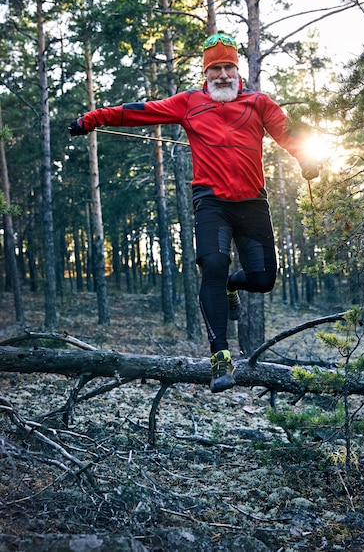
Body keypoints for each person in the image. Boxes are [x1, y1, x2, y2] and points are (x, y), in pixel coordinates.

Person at [69, 33, 319, 394]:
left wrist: (306, 159)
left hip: (252, 203)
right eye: (214, 68)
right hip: (211, 202)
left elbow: (287, 132)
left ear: (238, 69)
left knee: (263, 280)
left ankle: (234, 285)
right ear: (206, 73)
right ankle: (220, 356)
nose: (221, 74)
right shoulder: (189, 103)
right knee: (213, 265)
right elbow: (139, 111)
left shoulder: (259, 102)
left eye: (227, 67)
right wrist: (91, 119)